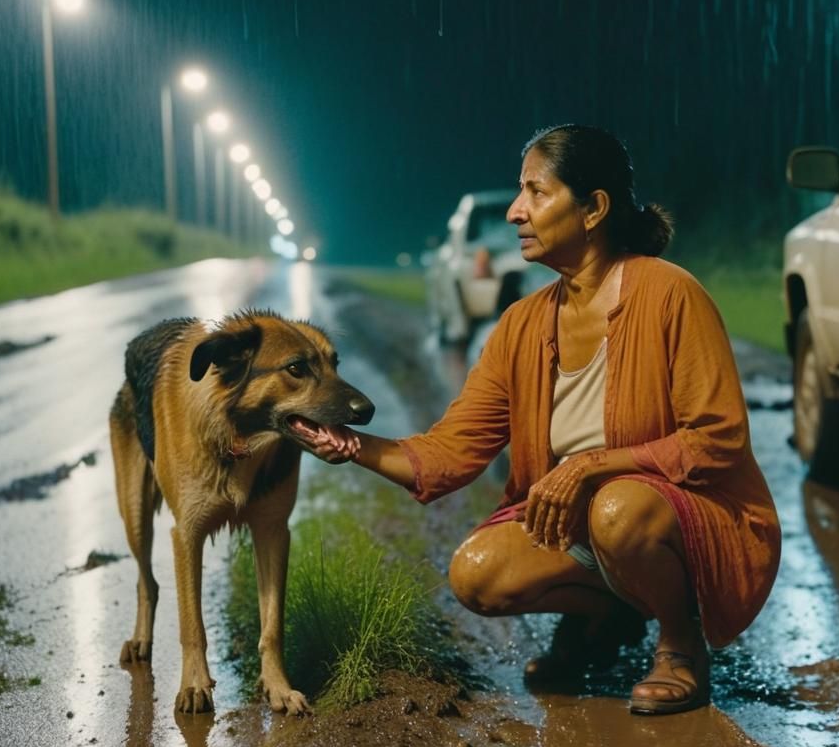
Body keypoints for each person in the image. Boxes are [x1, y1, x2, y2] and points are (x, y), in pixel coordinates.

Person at [312, 124, 781, 715]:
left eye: (536, 192)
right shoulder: (522, 324)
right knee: (476, 574)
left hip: (686, 522)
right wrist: (350, 444)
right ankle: (611, 614)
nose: (515, 211)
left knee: (617, 508)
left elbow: (718, 439)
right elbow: (448, 454)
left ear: (594, 209)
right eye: (520, 192)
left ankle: (680, 643)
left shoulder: (671, 295)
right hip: (590, 528)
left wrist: (592, 466)